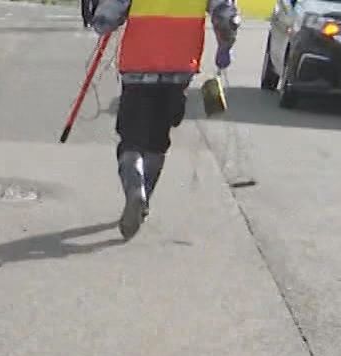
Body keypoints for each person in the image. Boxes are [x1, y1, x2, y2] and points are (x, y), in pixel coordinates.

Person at [89, 0, 239, 239]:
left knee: (131, 139)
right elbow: (225, 16)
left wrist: (102, 21)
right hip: (180, 67)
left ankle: (135, 189)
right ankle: (144, 196)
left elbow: (107, 15)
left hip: (138, 64)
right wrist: (225, 47)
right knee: (158, 140)